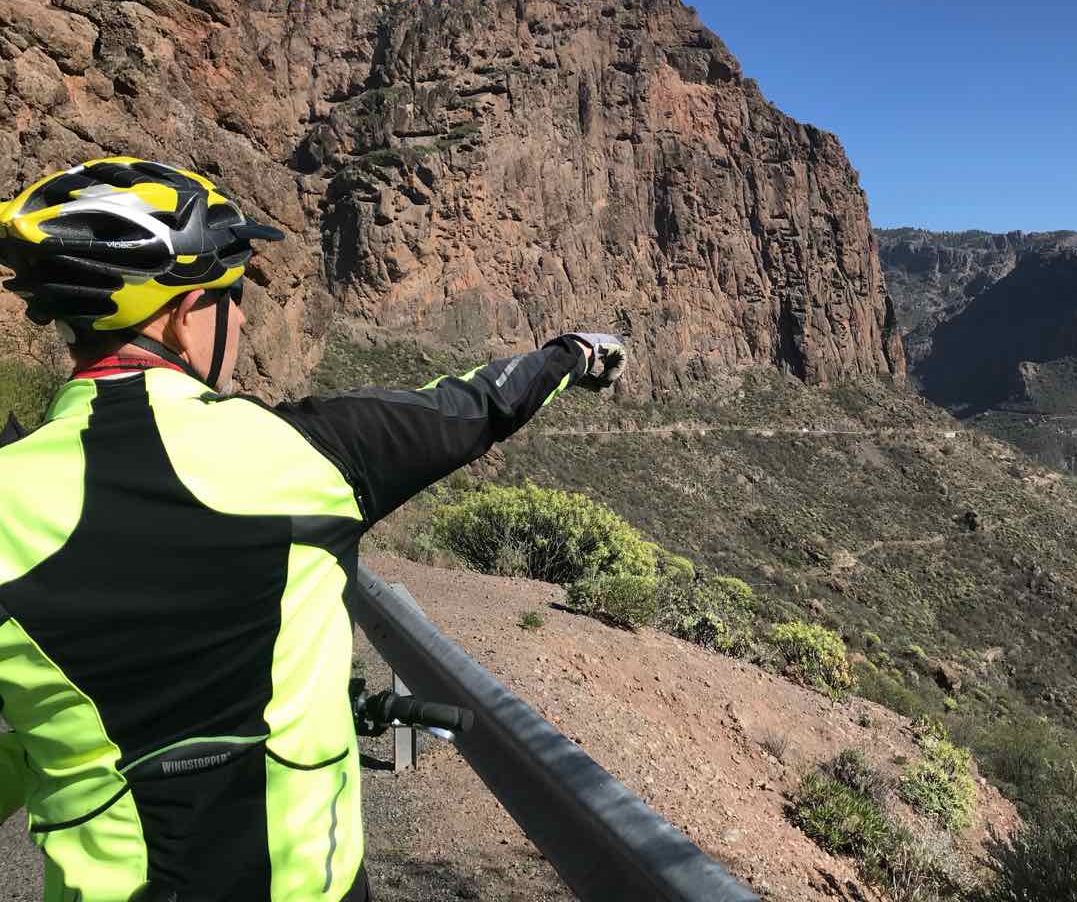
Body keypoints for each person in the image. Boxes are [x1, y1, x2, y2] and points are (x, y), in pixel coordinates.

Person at [0, 157, 626, 901]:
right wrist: (574, 354)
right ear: (183, 312)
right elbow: (477, 406)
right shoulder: (311, 454)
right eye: (231, 300)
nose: (239, 321)